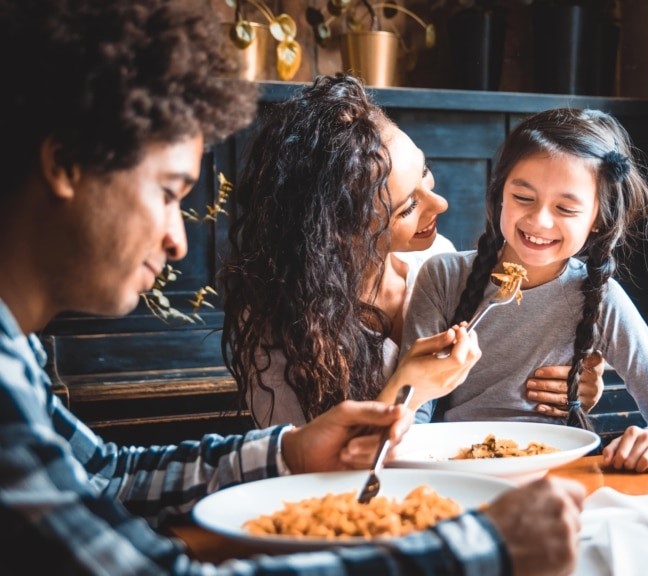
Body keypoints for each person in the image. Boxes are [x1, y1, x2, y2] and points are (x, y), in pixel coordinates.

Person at [0, 3, 585, 575]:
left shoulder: (15, 354)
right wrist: (483, 549)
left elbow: (106, 475)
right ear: (67, 165)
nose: (179, 241)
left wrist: (291, 452)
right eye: (167, 192)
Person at [220, 74, 604, 429]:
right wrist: (407, 389)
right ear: (338, 231)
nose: (439, 204)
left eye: (425, 171)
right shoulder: (277, 329)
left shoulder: (435, 261)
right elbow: (305, 470)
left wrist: (570, 388)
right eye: (407, 207)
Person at [403, 107, 648, 473]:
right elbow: (412, 413)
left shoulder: (600, 298)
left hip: (556, 472)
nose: (539, 221)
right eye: (523, 198)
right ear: (500, 191)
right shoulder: (443, 277)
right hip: (453, 468)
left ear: (598, 219)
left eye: (566, 208)